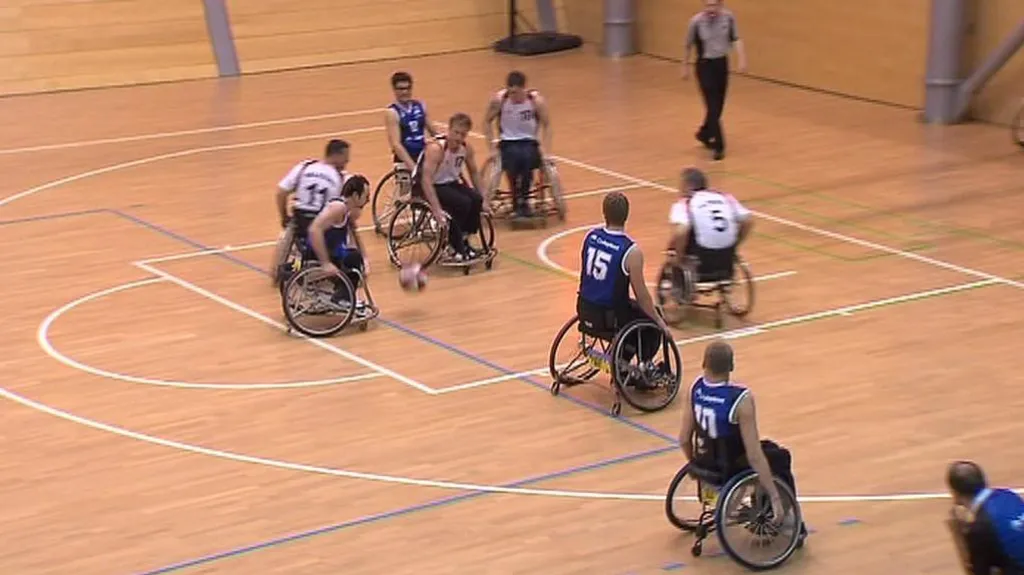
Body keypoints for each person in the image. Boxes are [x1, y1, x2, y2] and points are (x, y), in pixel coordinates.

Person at [678, 340, 808, 543]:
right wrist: (775, 496)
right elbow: (754, 455)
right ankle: (781, 517)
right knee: (780, 457)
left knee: (770, 448)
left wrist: (695, 463)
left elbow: (684, 439)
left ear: (704, 363)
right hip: (731, 466)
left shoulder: (695, 389)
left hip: (705, 461)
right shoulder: (740, 399)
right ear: (731, 366)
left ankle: (760, 502)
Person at [576, 191, 671, 373]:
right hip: (610, 317)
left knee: (632, 312)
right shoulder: (631, 251)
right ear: (627, 215)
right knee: (650, 320)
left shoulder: (591, 237)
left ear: (604, 213)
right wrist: (660, 322)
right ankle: (644, 366)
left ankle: (621, 360)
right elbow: (642, 296)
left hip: (584, 308)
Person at [271, 139, 351, 284]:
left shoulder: (305, 167)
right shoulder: (340, 177)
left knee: (289, 229)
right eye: (345, 158)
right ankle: (335, 263)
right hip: (321, 224)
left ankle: (276, 270)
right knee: (343, 220)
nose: (347, 162)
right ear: (336, 155)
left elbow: (281, 193)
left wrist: (284, 216)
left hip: (300, 219)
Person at [668, 167, 752, 297]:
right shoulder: (725, 197)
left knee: (677, 245)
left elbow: (681, 232)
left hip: (702, 256)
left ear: (686, 186)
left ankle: (681, 288)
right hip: (727, 254)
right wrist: (736, 244)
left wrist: (678, 257)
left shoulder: (685, 203)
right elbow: (748, 221)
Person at [414, 112, 487, 262]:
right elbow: (426, 180)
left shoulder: (465, 149)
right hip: (428, 186)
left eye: (463, 134)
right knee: (461, 203)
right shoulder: (437, 149)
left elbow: (474, 173)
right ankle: (452, 244)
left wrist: (485, 200)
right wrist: (436, 210)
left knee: (476, 199)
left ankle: (464, 239)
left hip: (449, 183)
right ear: (449, 130)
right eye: (456, 133)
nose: (458, 138)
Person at [682, 0, 747, 161]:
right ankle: (719, 146)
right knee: (712, 105)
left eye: (714, 5)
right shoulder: (696, 22)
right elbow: (688, 45)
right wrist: (684, 66)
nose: (710, 9)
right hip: (705, 65)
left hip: (721, 64)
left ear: (720, 5)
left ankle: (704, 133)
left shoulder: (728, 18)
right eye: (707, 5)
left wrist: (742, 59)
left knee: (718, 106)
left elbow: (736, 38)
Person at [483, 70, 552, 218]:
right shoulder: (500, 100)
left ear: (523, 89)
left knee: (527, 158)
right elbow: (486, 122)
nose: (513, 96)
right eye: (511, 92)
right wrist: (491, 147)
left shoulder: (535, 101)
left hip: (529, 141)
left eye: (516, 93)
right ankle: (516, 200)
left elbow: (547, 125)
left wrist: (546, 150)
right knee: (513, 160)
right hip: (508, 141)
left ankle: (524, 200)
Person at [946, 460, 1024, 575]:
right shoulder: (1008, 495)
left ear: (955, 493)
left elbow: (980, 571)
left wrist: (960, 532)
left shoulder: (979, 528)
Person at [306, 175, 372, 308]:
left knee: (354, 256)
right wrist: (325, 263)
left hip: (331, 251)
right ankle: (342, 298)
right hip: (315, 253)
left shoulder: (347, 211)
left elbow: (355, 235)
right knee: (353, 258)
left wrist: (365, 260)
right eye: (366, 196)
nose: (368, 200)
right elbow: (314, 230)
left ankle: (343, 294)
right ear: (356, 196)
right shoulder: (338, 208)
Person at [384, 72, 438, 173]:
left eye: (408, 88)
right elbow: (396, 145)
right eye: (401, 89)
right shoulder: (392, 112)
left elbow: (434, 133)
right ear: (394, 90)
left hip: (423, 157)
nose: (405, 92)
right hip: (405, 161)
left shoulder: (420, 106)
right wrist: (413, 168)